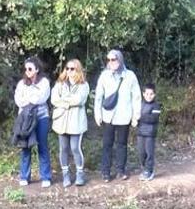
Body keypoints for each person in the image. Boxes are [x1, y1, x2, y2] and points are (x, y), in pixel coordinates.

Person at [94, 50, 142, 181]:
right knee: (107, 144)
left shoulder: (130, 76)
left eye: (113, 60)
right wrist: (97, 114)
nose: (111, 62)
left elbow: (136, 97)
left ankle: (120, 170)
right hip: (108, 116)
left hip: (124, 116)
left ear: (120, 60)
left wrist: (135, 116)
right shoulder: (104, 76)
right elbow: (98, 96)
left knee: (122, 144)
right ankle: (105, 172)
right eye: (108, 60)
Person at [14, 57, 52, 187]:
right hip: (25, 119)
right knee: (25, 147)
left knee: (42, 146)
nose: (27, 71)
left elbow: (41, 98)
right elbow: (19, 101)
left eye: (30, 69)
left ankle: (46, 177)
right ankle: (24, 176)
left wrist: (29, 99)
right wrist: (31, 99)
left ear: (37, 69)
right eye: (25, 69)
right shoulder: (21, 84)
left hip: (41, 117)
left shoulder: (44, 82)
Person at [51, 59, 90, 187]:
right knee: (63, 149)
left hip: (76, 123)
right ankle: (66, 175)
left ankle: (79, 174)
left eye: (72, 69)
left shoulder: (83, 85)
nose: (69, 71)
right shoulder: (60, 83)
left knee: (75, 148)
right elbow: (54, 100)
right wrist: (68, 102)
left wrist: (64, 101)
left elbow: (79, 100)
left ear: (78, 70)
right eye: (67, 68)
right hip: (61, 122)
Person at [137, 83, 161, 181]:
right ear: (143, 94)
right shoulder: (140, 104)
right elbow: (136, 117)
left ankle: (149, 171)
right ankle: (144, 169)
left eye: (151, 94)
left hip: (150, 134)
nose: (149, 96)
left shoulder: (156, 106)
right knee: (141, 153)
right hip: (140, 133)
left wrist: (140, 117)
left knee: (149, 153)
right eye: (147, 94)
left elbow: (153, 119)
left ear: (154, 95)